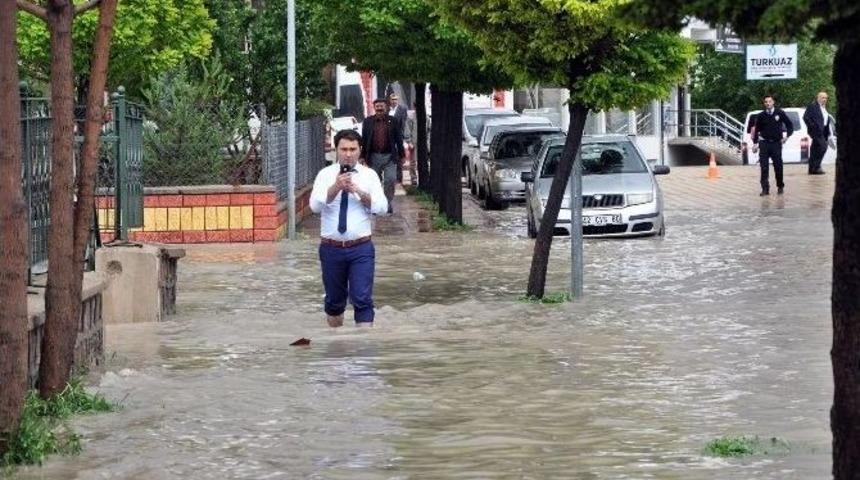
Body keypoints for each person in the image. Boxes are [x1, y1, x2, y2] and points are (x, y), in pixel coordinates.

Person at [309, 129, 388, 328]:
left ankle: (363, 351)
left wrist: (358, 192)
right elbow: (315, 206)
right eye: (344, 149)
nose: (348, 153)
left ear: (360, 150)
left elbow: (381, 208)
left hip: (361, 248)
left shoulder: (369, 176)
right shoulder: (325, 175)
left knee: (362, 299)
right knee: (334, 303)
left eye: (353, 149)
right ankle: (336, 349)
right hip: (331, 248)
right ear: (336, 150)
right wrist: (335, 187)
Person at [361, 98, 405, 213]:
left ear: (386, 108)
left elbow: (399, 139)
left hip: (390, 157)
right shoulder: (367, 121)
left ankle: (387, 203)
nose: (379, 108)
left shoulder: (393, 121)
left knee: (390, 180)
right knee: (374, 182)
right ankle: (376, 205)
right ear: (374, 108)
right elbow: (364, 139)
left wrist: (402, 155)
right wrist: (362, 156)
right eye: (377, 106)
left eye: (382, 106)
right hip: (373, 157)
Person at [752, 95, 794, 196]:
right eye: (766, 102)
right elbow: (757, 129)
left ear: (773, 102)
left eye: (769, 101)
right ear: (764, 104)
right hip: (764, 143)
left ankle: (780, 186)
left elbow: (789, 125)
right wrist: (755, 143)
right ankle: (765, 189)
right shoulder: (761, 115)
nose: (768, 103)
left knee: (778, 166)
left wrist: (787, 136)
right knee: (764, 167)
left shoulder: (779, 113)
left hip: (776, 143)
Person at [802, 91, 831, 175]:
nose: (824, 99)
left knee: (815, 150)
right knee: (823, 147)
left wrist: (827, 131)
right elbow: (805, 117)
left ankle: (812, 169)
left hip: (823, 131)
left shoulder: (824, 108)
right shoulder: (813, 106)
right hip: (816, 131)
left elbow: (825, 120)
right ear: (818, 98)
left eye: (826, 98)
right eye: (823, 98)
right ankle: (817, 166)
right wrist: (813, 126)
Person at [389, 93, 411, 183]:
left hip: (398, 137)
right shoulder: (387, 110)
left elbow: (404, 124)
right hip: (388, 137)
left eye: (396, 99)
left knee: (398, 158)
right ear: (390, 100)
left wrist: (404, 138)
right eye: (392, 99)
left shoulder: (402, 109)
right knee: (389, 158)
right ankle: (391, 177)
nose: (394, 101)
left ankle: (399, 178)